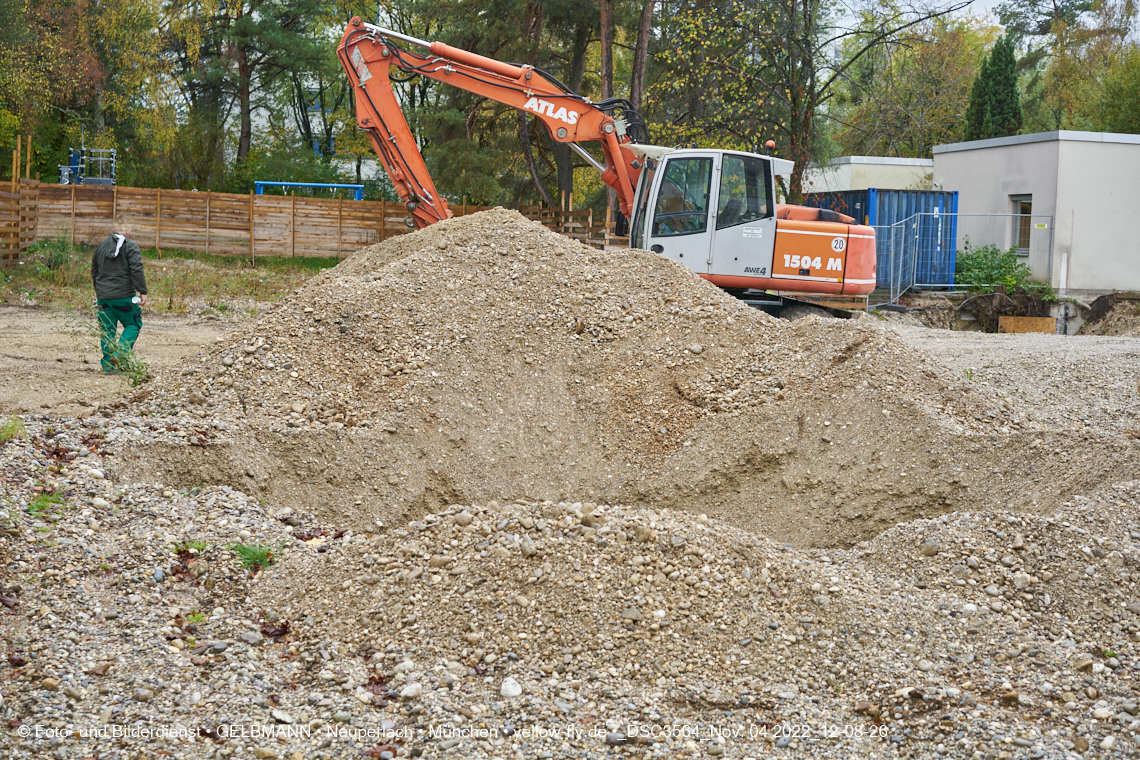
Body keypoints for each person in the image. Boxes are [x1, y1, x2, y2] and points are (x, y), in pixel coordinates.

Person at [90, 226, 148, 373]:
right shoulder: (130, 246)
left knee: (107, 330)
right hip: (124, 296)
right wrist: (142, 291)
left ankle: (108, 366)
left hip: (103, 298)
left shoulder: (100, 247)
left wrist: (100, 293)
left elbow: (94, 272)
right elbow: (136, 269)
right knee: (133, 324)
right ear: (127, 231)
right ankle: (120, 353)